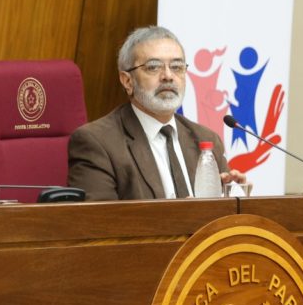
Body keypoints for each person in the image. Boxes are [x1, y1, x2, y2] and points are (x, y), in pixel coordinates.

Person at [67, 25, 245, 201]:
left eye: (176, 67)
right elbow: (98, 222)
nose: (168, 76)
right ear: (127, 81)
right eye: (153, 67)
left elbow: (223, 220)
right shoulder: (98, 142)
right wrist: (185, 217)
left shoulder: (206, 139)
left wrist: (238, 200)